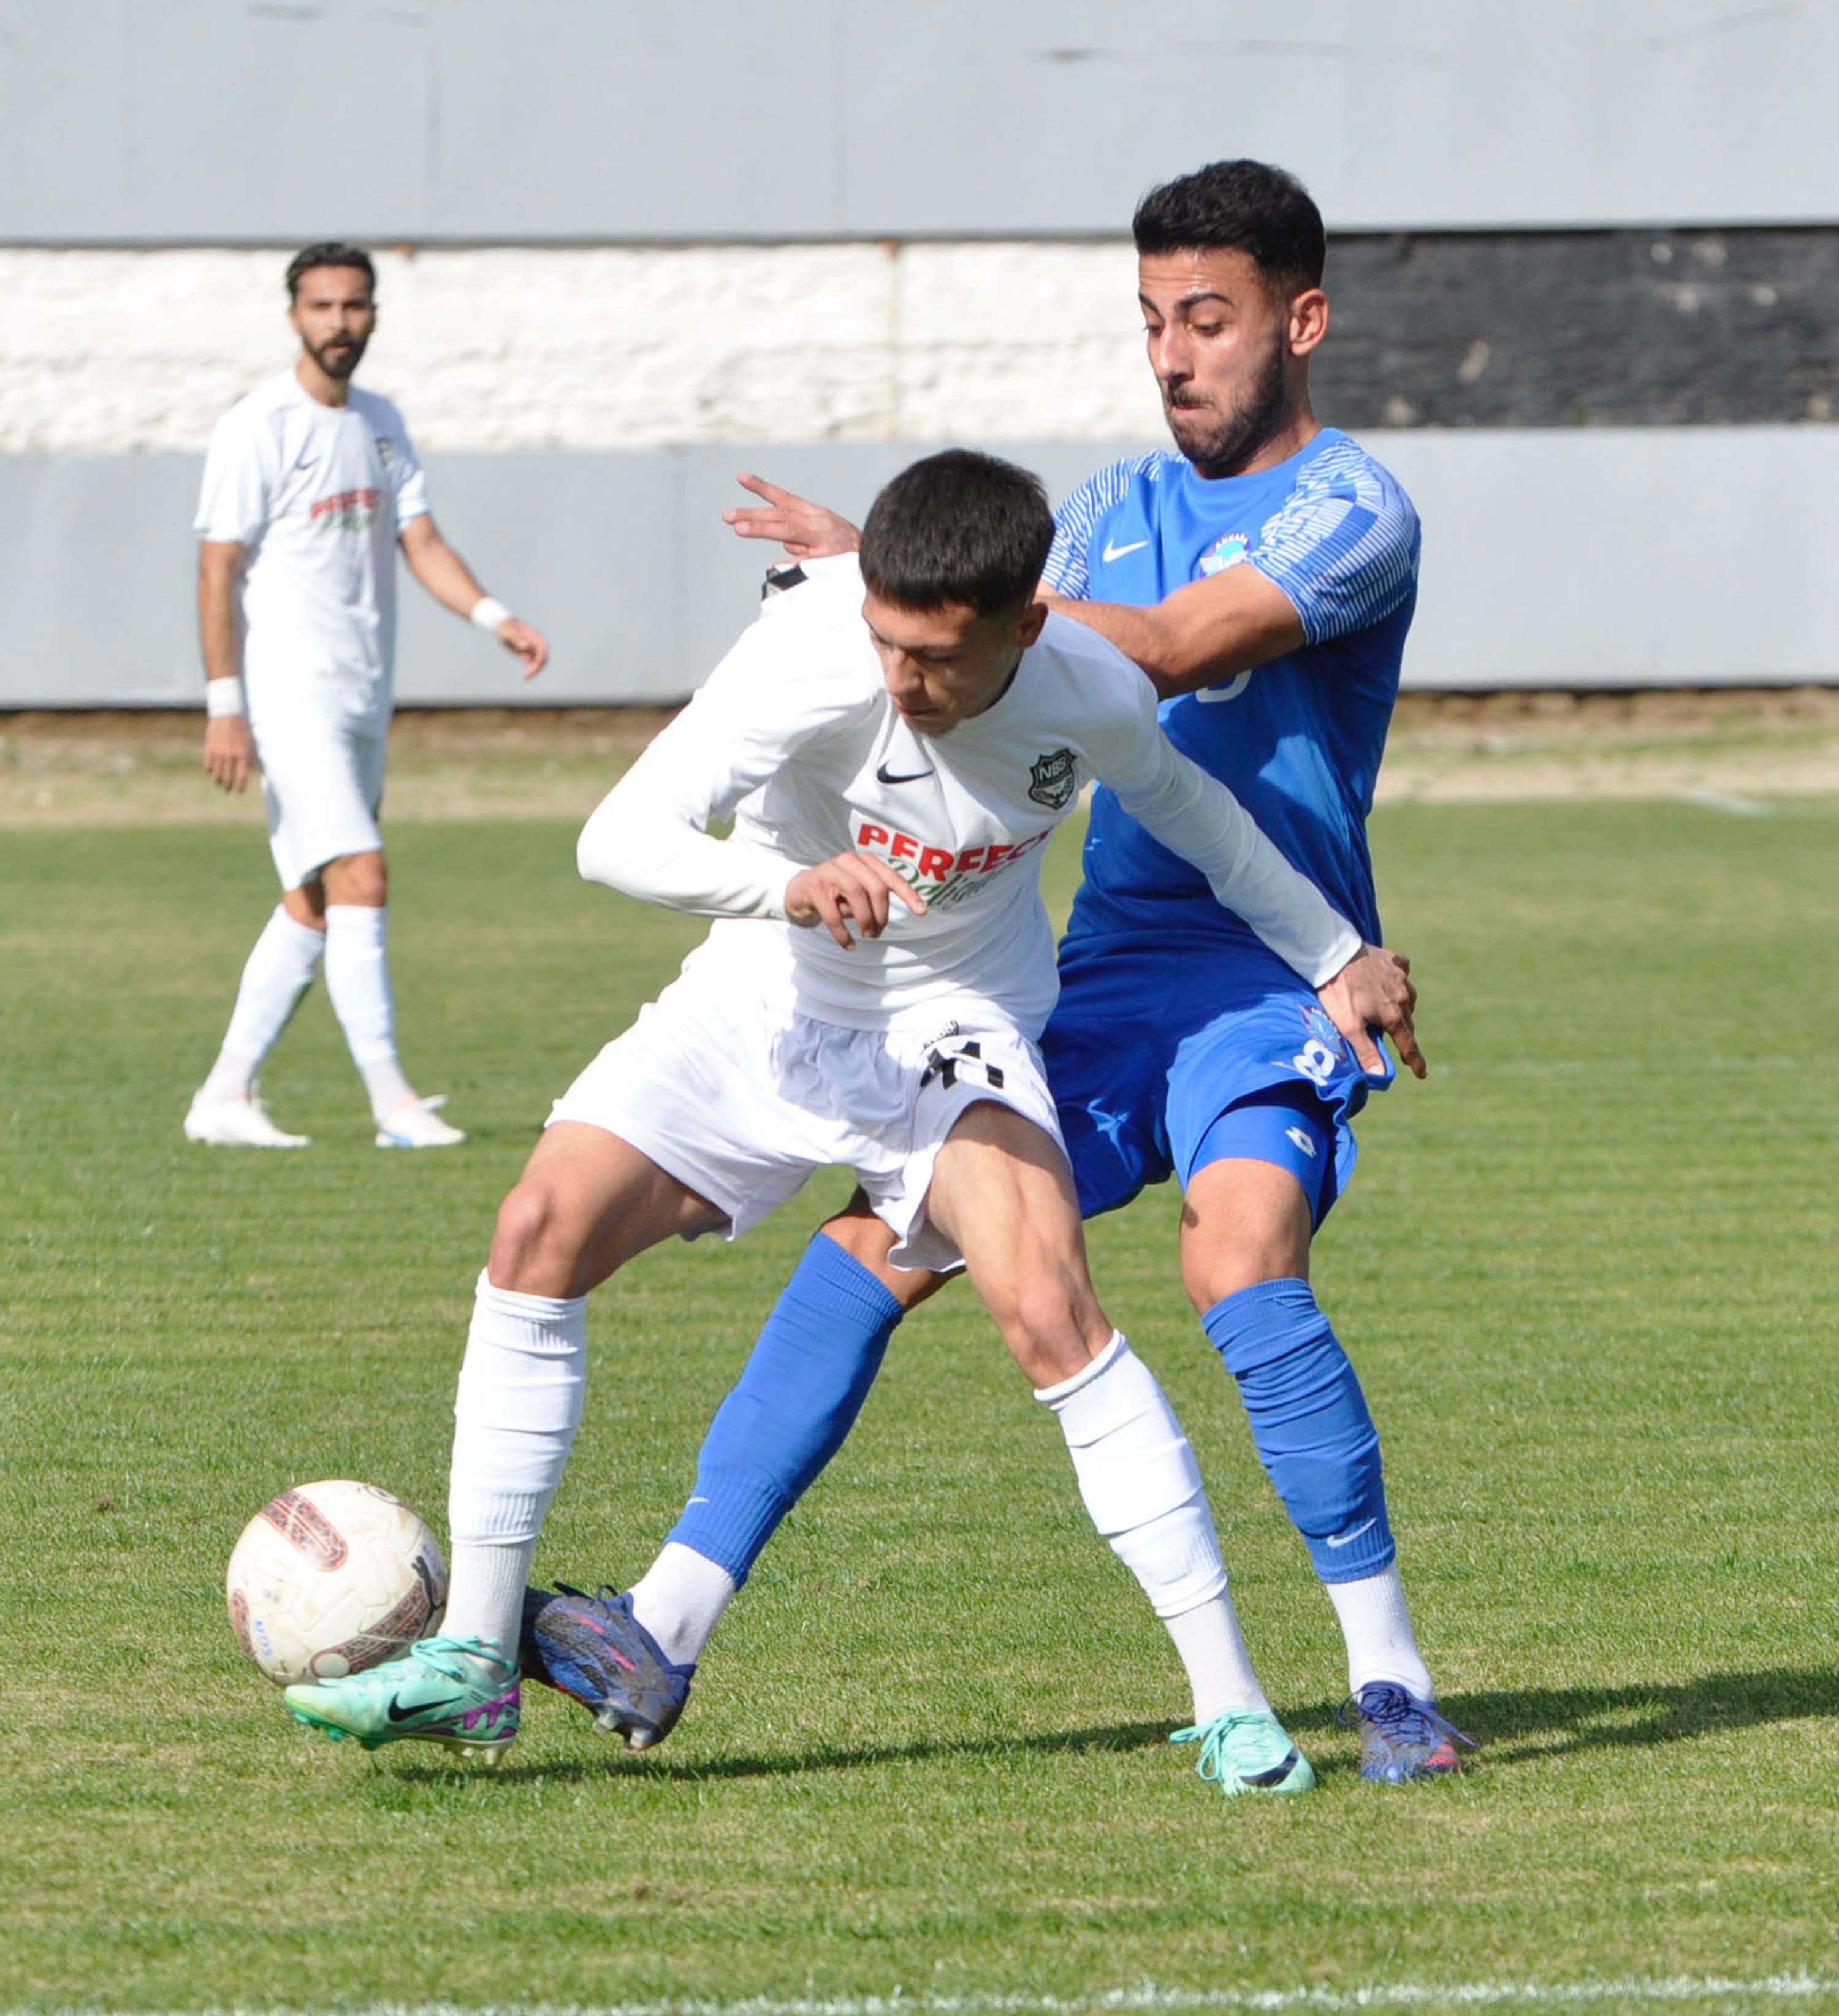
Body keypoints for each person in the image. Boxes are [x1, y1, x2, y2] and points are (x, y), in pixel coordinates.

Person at [527, 159, 1471, 1787]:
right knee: (885, 1238)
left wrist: (911, 588)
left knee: (1236, 1256)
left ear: (1300, 321)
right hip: (1097, 979)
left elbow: (1166, 648)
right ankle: (663, 1624)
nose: (1175, 354)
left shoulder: (1353, 507)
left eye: (1212, 319)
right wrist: (893, 586)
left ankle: (1389, 1685)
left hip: (1270, 973)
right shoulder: (1101, 503)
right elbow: (1009, 624)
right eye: (1154, 321)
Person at [281, 449, 1415, 1782]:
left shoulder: (1091, 690)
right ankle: (477, 1659)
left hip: (954, 1024)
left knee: (1051, 1313)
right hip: (763, 993)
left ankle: (1232, 1704)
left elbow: (1204, 819)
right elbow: (617, 836)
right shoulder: (809, 653)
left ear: (1027, 624)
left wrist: (1337, 952)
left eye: (936, 656)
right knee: (538, 1226)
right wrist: (787, 886)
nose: (901, 680)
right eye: (886, 640)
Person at [184, 242, 549, 1151]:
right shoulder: (258, 425)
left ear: (374, 315)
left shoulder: (381, 422)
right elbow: (217, 565)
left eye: (354, 306)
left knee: (315, 896)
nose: (338, 323)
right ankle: (393, 1103)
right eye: (321, 307)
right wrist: (224, 701)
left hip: (362, 696)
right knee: (364, 875)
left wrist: (494, 615)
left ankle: (225, 1095)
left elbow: (419, 539)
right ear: (294, 315)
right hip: (289, 695)